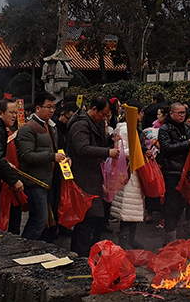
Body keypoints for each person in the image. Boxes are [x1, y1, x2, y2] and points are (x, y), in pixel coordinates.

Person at [66, 95, 120, 257]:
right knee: (85, 219)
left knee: (94, 218)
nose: (104, 118)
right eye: (102, 114)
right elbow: (83, 149)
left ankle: (89, 252)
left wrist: (110, 140)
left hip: (93, 175)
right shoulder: (81, 125)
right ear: (94, 109)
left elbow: (97, 145)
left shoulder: (93, 123)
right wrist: (107, 151)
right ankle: (80, 254)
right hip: (84, 176)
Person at [16, 91, 65, 242]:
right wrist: (52, 157)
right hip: (34, 181)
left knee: (45, 219)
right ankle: (24, 248)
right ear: (38, 108)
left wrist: (63, 159)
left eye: (53, 107)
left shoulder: (51, 126)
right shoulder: (28, 128)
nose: (51, 110)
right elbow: (25, 156)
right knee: (39, 219)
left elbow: (54, 150)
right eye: (48, 107)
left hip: (48, 180)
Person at [157, 101, 190, 243]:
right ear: (172, 113)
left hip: (186, 171)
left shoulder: (188, 128)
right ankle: (170, 235)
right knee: (171, 204)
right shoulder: (165, 129)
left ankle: (177, 231)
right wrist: (185, 144)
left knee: (183, 203)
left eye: (184, 112)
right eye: (180, 113)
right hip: (171, 171)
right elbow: (166, 148)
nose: (183, 115)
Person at [110, 103, 146, 250]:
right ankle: (124, 241)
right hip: (127, 173)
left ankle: (131, 239)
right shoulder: (125, 129)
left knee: (134, 208)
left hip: (134, 172)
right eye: (141, 113)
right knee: (127, 208)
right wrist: (139, 153)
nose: (142, 116)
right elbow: (121, 150)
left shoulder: (132, 128)